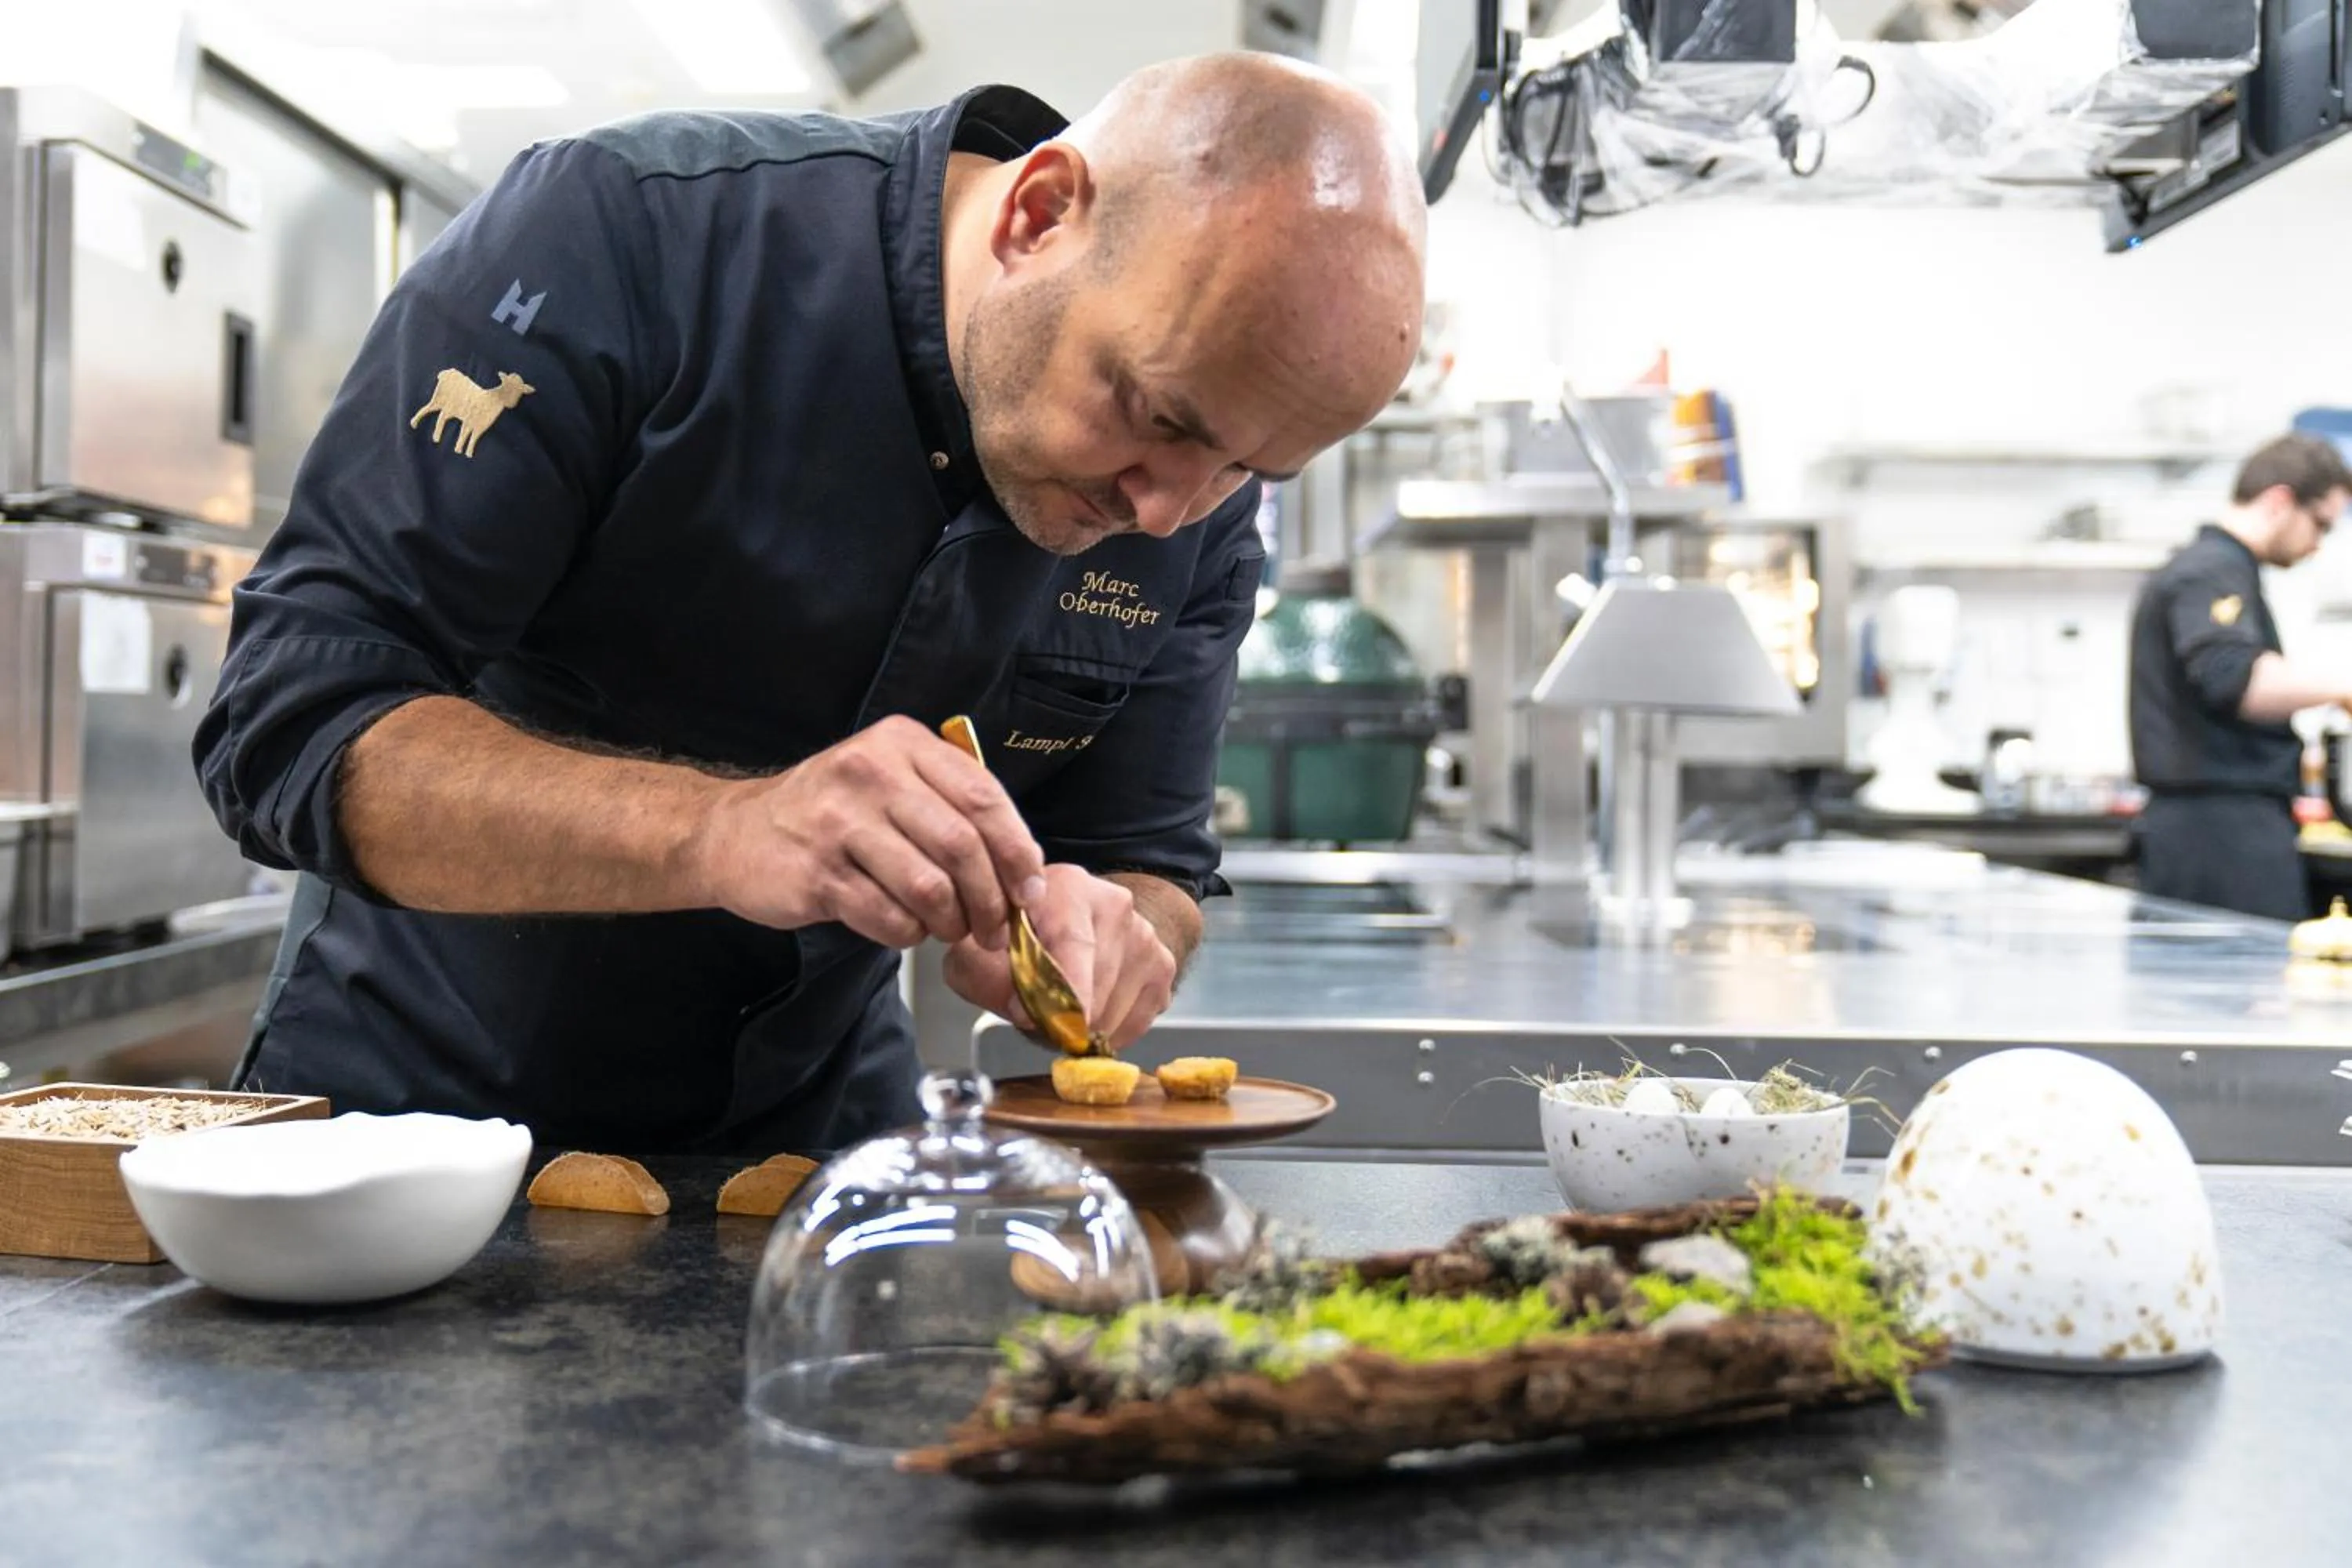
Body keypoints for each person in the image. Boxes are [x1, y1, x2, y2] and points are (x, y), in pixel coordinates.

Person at [194, 53, 1426, 1154]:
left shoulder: (1191, 502)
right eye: (1157, 417)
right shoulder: (628, 239)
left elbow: (1143, 858)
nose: (1171, 511)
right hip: (401, 1145)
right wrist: (724, 833)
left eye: (1250, 473)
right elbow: (290, 717)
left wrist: (1115, 930)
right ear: (1040, 215)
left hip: (809, 1163)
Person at [2128, 434, 2352, 920]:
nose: (2316, 547)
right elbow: (2234, 679)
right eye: (2320, 526)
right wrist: (2342, 686)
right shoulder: (2210, 571)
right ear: (2279, 501)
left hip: (2213, 828)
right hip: (2219, 834)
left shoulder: (2219, 569)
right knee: (2243, 988)